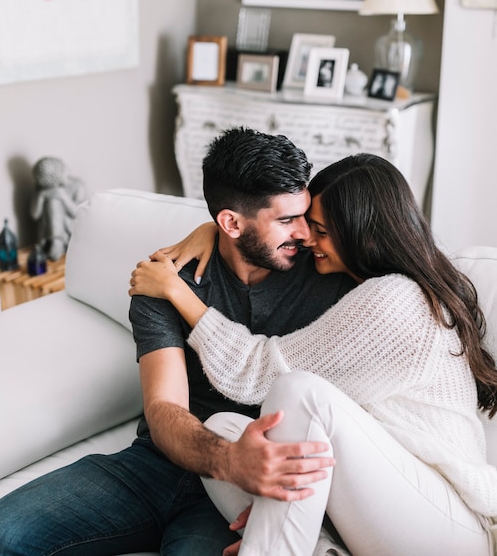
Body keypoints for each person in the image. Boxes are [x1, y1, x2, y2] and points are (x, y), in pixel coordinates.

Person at [0, 127, 356, 555]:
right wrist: (227, 459)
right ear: (231, 223)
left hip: (242, 489)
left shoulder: (330, 276)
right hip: (158, 466)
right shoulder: (164, 282)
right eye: (286, 220)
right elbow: (165, 407)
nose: (305, 233)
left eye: (303, 214)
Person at [129, 153, 497, 555]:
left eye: (319, 230)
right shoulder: (374, 286)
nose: (304, 237)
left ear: (361, 235)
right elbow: (259, 201)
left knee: (299, 391)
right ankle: (319, 548)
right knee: (224, 432)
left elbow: (259, 371)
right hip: (372, 505)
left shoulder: (396, 300)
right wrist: (215, 231)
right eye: (303, 225)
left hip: (446, 523)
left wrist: (178, 292)